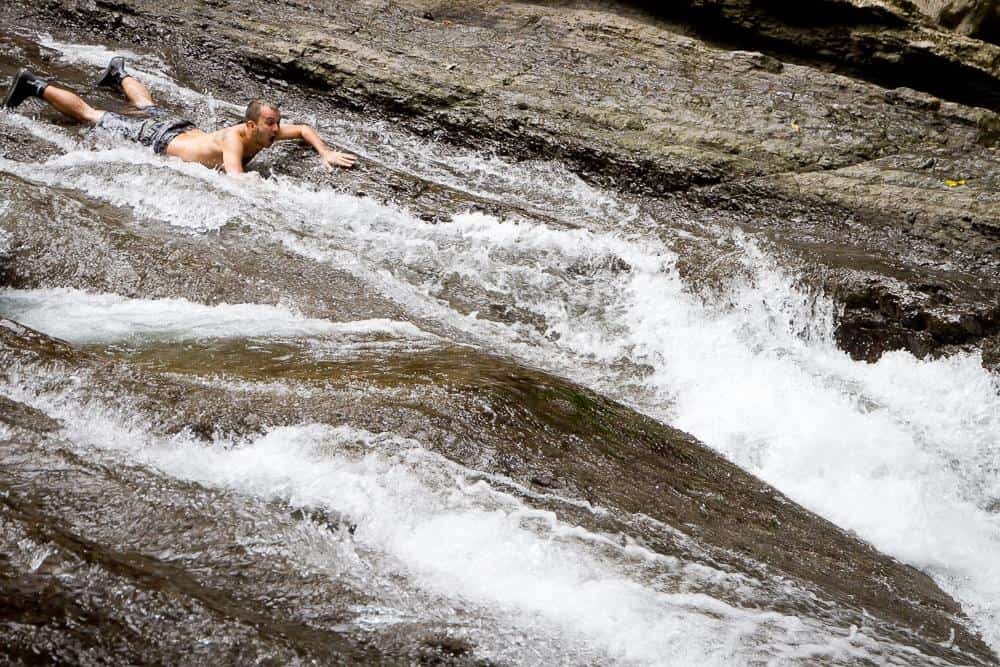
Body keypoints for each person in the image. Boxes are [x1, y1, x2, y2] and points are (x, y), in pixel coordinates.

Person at [2, 58, 357, 175]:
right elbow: (236, 179)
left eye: (277, 123)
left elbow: (307, 129)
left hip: (181, 129)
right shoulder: (236, 138)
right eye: (270, 124)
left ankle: (118, 74)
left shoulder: (269, 133)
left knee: (148, 105)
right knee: (92, 116)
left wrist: (324, 152)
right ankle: (33, 84)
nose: (278, 129)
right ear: (252, 125)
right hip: (159, 139)